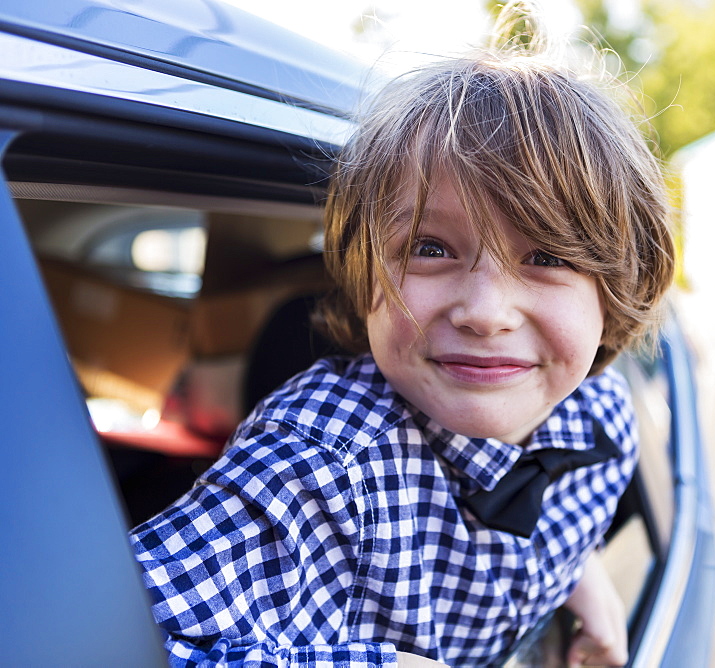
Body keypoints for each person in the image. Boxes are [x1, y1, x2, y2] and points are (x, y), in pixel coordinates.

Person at [130, 19, 674, 668]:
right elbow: (111, 640)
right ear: (367, 280)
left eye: (547, 254)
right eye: (430, 248)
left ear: (615, 291)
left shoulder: (599, 419)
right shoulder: (319, 465)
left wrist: (575, 571)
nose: (485, 312)